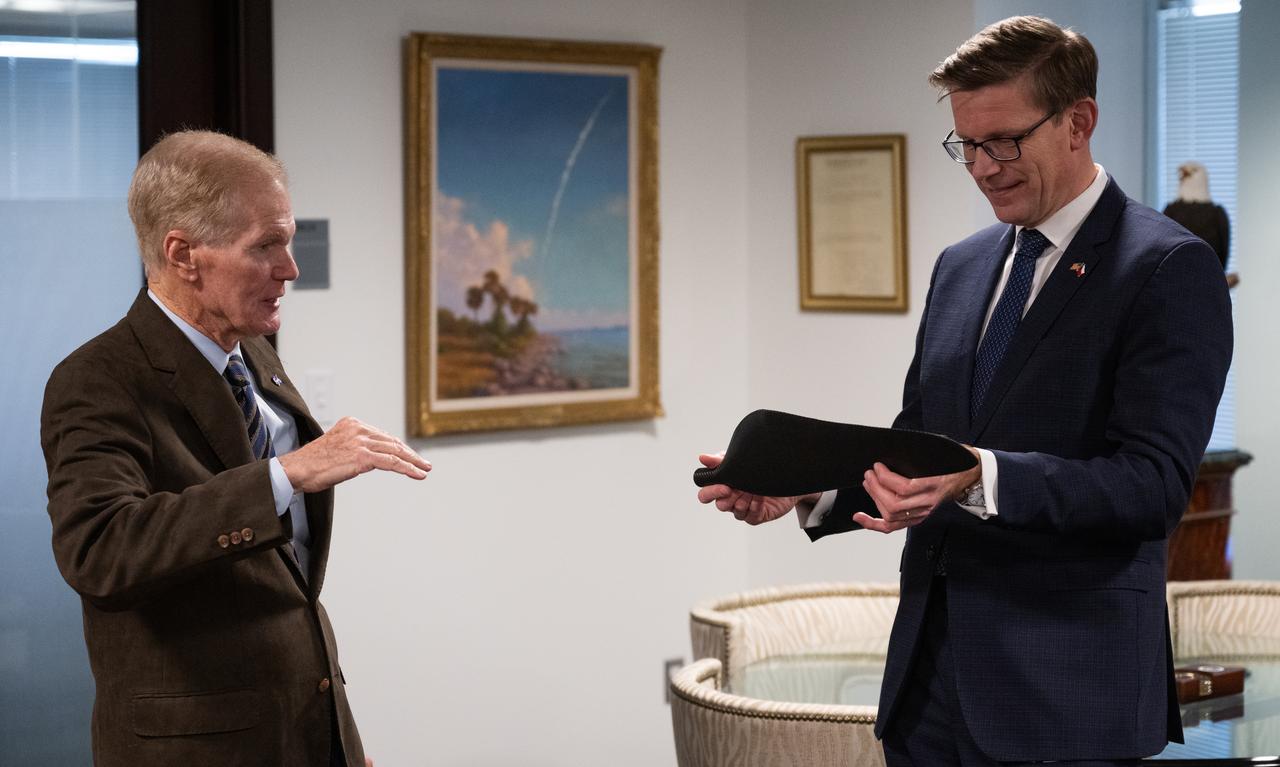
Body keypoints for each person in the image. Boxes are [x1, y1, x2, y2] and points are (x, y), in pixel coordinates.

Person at [698, 16, 1232, 766]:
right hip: (926, 692)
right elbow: (918, 452)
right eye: (966, 145)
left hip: (1066, 704)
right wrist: (800, 491)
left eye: (1004, 141)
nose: (983, 167)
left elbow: (1152, 485)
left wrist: (984, 476)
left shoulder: (1169, 269)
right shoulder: (961, 266)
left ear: (1079, 121)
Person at [41, 130, 432, 767]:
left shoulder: (252, 354)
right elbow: (99, 552)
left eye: (290, 239)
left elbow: (280, 583)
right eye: (266, 246)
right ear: (184, 255)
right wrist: (284, 476)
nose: (291, 268)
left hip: (309, 729)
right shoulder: (97, 380)